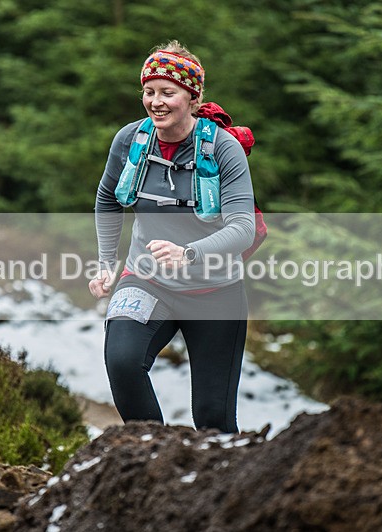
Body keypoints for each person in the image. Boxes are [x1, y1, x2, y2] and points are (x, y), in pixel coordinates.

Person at [89, 41, 256, 433]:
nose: (156, 102)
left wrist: (189, 252)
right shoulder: (131, 141)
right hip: (146, 281)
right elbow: (106, 199)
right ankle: (152, 455)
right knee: (123, 362)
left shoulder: (223, 148)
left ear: (193, 98)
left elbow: (242, 228)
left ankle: (217, 487)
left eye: (168, 92)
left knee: (213, 419)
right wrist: (106, 262)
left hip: (216, 291)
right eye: (149, 91)